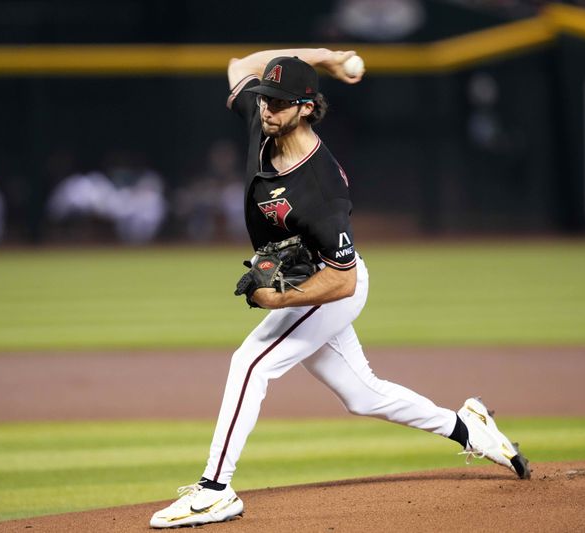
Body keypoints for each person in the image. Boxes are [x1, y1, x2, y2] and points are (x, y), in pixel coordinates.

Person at [149, 48, 530, 529]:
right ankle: (467, 427)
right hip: (314, 280)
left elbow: (343, 279)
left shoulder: (322, 190)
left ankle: (215, 490)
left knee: (250, 363)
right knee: (362, 396)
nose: (266, 107)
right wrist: (326, 58)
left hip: (331, 286)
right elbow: (238, 64)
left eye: (278, 102)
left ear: (305, 108)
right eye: (265, 98)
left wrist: (276, 298)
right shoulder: (263, 117)